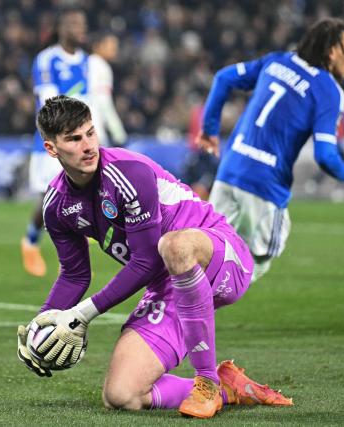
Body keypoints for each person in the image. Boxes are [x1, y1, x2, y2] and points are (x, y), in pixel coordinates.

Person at [16, 96, 292, 418]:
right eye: (75, 139)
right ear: (52, 149)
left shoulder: (128, 173)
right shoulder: (56, 206)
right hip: (166, 283)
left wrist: (81, 314)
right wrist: (42, 324)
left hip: (220, 256)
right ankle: (227, 387)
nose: (88, 145)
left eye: (91, 133)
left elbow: (146, 260)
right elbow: (75, 275)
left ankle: (205, 383)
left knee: (173, 246)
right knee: (121, 395)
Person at [197, 18, 344, 282]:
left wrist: (209, 129)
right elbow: (325, 156)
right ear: (333, 51)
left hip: (229, 172)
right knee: (257, 260)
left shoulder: (277, 61)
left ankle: (170, 308)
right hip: (265, 187)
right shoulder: (328, 91)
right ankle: (187, 310)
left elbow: (223, 78)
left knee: (204, 252)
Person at [21, 11, 127, 277]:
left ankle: (68, 258)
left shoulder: (90, 63)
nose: (81, 29)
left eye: (83, 24)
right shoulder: (47, 59)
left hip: (79, 139)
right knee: (48, 198)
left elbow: (96, 103)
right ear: (61, 27)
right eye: (74, 24)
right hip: (53, 140)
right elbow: (48, 102)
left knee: (82, 195)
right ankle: (30, 240)